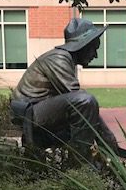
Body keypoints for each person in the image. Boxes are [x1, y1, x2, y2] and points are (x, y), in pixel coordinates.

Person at [11, 18, 119, 156]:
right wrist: (107, 138)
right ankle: (80, 162)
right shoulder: (59, 58)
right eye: (94, 49)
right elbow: (83, 103)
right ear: (83, 45)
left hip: (37, 111)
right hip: (29, 114)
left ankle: (83, 157)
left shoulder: (65, 59)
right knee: (85, 100)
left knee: (83, 104)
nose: (95, 55)